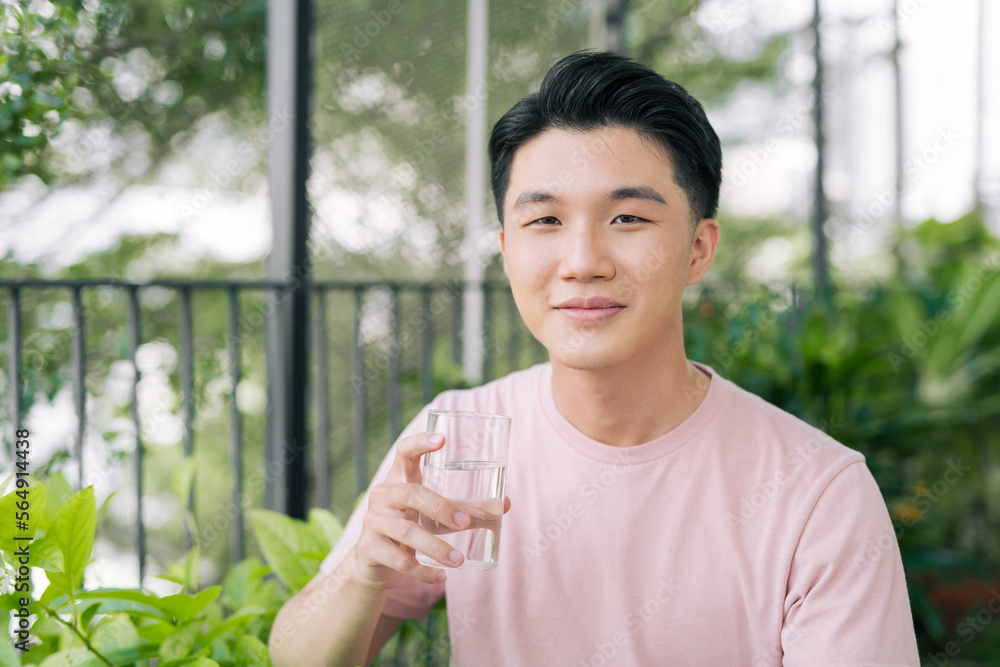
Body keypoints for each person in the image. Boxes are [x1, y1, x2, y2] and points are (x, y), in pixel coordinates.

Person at [268, 49, 920, 667]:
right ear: (506, 249)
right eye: (545, 221)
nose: (582, 262)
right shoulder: (459, 441)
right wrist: (362, 576)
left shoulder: (817, 493)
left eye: (628, 218)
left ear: (698, 249)